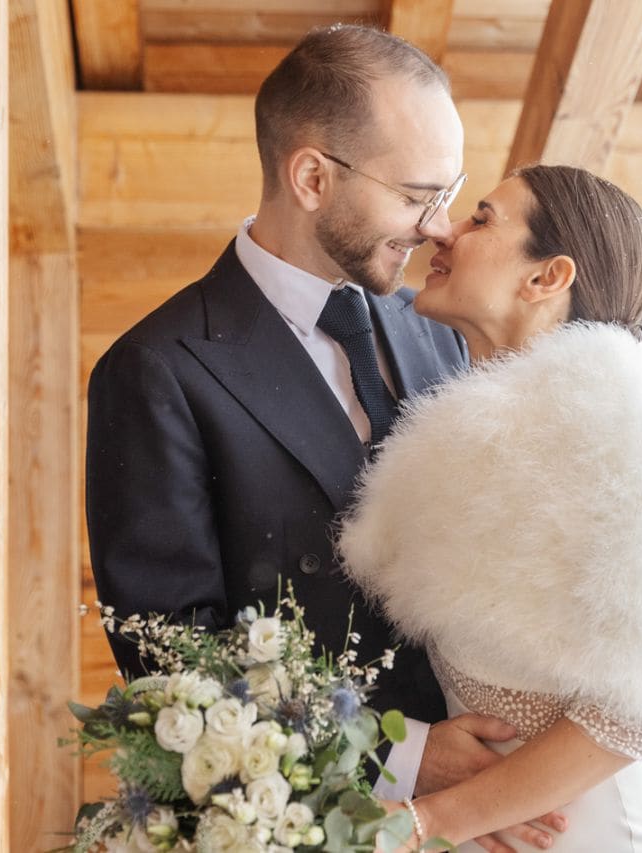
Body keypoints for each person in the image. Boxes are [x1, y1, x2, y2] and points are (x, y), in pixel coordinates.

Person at [85, 25, 560, 852]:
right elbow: (172, 663)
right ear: (311, 177)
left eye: (450, 193)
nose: (440, 228)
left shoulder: (438, 327)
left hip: (508, 802)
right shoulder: (156, 369)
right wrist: (402, 756)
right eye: (416, 195)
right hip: (313, 824)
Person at [339, 165, 642, 852]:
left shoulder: (623, 430)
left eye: (482, 218)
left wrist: (432, 821)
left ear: (547, 277)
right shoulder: (463, 432)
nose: (444, 230)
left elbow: (641, 711)